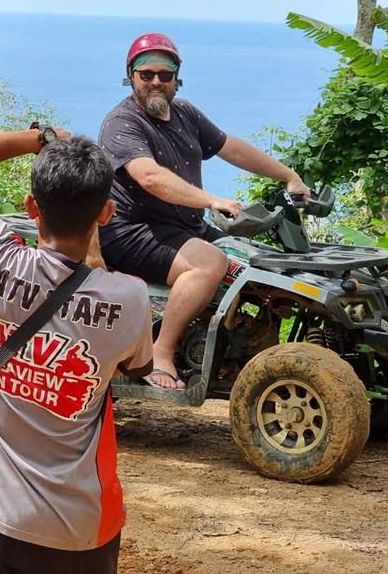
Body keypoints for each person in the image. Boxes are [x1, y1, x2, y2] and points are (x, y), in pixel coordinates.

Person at [0, 127, 153, 574]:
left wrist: (43, 137)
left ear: (31, 206)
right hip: (84, 524)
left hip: (0, 516)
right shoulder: (130, 298)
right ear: (107, 213)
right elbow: (138, 366)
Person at [98, 33, 311, 390]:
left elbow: (232, 148)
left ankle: (238, 346)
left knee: (255, 259)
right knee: (209, 263)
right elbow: (149, 177)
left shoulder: (186, 113)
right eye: (146, 74)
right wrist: (212, 200)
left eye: (165, 75)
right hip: (132, 229)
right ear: (130, 76)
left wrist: (288, 175)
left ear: (176, 79)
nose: (155, 82)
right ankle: (159, 353)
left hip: (181, 226)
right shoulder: (122, 122)